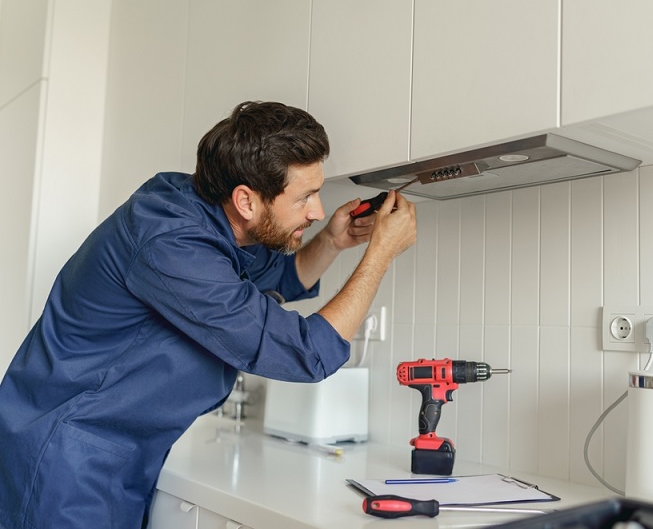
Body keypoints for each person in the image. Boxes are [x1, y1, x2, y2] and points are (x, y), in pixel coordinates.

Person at [0, 101, 416, 529]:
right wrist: (380, 254)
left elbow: (277, 276)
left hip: (110, 452)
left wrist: (331, 241)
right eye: (305, 197)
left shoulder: (203, 212)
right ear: (246, 200)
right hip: (66, 461)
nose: (316, 211)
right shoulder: (171, 242)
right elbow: (305, 352)